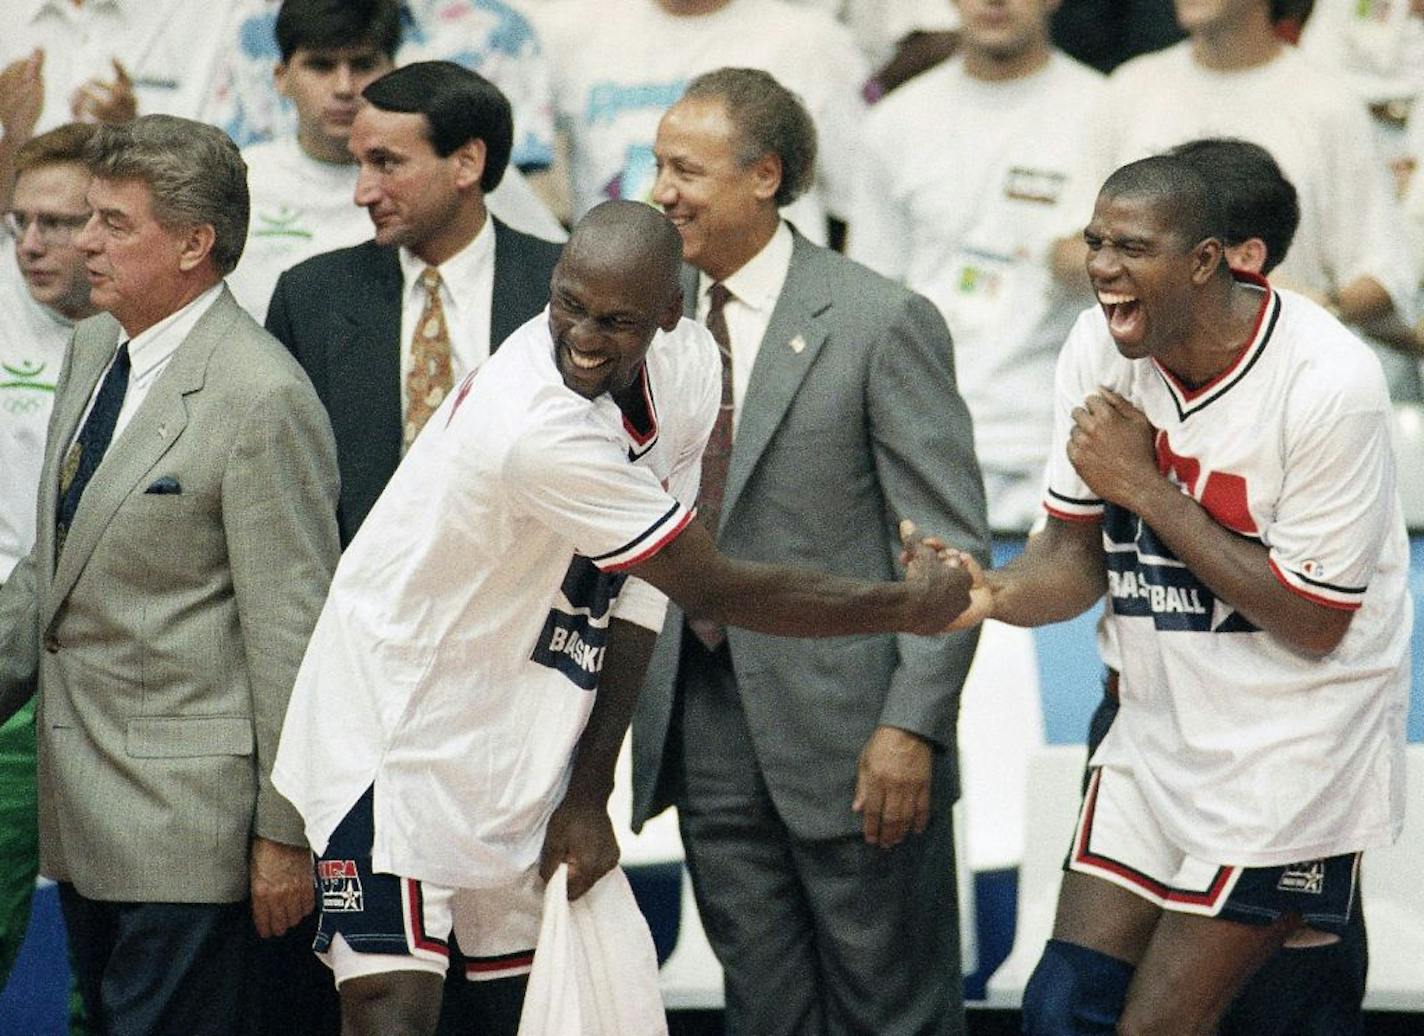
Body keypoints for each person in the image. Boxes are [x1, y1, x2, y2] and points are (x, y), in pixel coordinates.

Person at [270, 198, 978, 1036]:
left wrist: (589, 788)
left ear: (671, 315)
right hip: (393, 727)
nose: (584, 336)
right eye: (568, 303)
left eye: (616, 319)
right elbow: (713, 587)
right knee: (391, 1007)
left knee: (528, 1005)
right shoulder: (535, 424)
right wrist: (908, 606)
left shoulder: (687, 369)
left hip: (515, 728)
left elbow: (647, 592)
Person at [942, 154, 1411, 1035]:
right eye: (1095, 242)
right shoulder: (1099, 344)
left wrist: (1149, 487)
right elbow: (1073, 560)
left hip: (1291, 756)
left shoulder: (1328, 382)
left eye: (1132, 246)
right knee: (1060, 1009)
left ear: (1208, 261)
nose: (1103, 266)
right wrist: (989, 594)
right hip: (1155, 735)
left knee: (1170, 1023)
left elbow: (1314, 620)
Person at [632, 68, 988, 1035]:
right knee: (765, 1012)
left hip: (856, 732)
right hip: (701, 719)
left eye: (686, 169)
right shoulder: (652, 321)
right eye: (658, 165)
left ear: (765, 176)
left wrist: (912, 727)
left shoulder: (879, 319)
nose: (661, 190)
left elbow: (948, 553)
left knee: (894, 1014)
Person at [0, 114, 342, 1034]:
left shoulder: (261, 393)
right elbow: (50, 568)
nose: (84, 242)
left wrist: (284, 834)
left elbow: (292, 634)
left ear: (195, 244)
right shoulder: (89, 349)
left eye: (114, 223)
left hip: (193, 835)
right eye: (86, 218)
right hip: (84, 817)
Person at [266, 61, 563, 546]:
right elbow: (285, 497)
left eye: (386, 163)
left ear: (466, 163)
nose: (363, 192)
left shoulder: (560, 294)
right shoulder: (311, 298)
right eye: (359, 163)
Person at [1063, 0, 1422, 399]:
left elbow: (1386, 273)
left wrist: (1310, 304)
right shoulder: (1131, 87)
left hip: (1285, 386)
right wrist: (1147, 269)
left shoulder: (1329, 103)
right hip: (1147, 387)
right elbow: (1065, 246)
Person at [852, 0, 1107, 533]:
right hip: (921, 463)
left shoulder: (1107, 113)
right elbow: (867, 313)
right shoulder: (893, 123)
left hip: (1068, 457)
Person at [0, 121, 97, 1001]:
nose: (32, 244)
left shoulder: (168, 337)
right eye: (18, 221)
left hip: (122, 667)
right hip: (4, 662)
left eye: (59, 223)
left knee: (110, 943)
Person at [530, 0, 867, 245]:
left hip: (764, 303)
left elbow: (855, 202)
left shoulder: (809, 41)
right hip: (617, 304)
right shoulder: (565, 31)